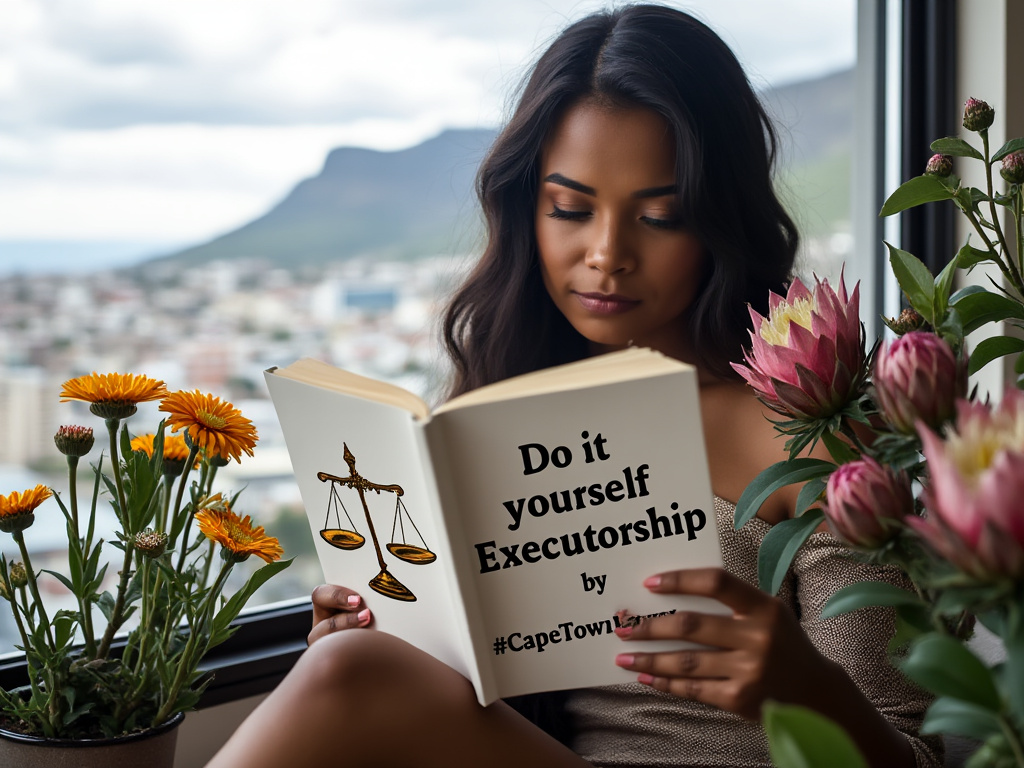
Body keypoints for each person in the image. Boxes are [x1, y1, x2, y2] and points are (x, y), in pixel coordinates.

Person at [208, 6, 940, 767]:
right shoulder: (497, 413)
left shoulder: (808, 438)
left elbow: (917, 757)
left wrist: (804, 687)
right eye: (570, 209)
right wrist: (383, 631)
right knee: (353, 664)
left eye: (660, 217)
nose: (606, 253)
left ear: (719, 220)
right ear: (527, 210)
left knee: (348, 674)